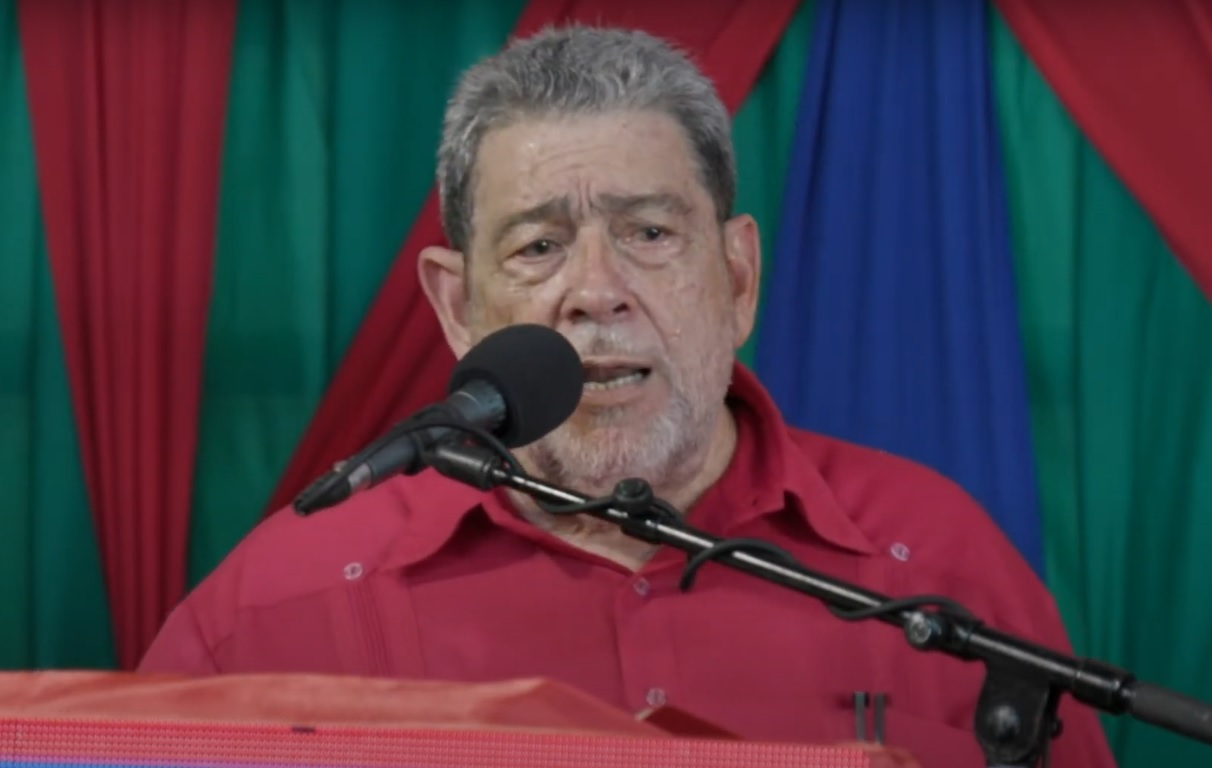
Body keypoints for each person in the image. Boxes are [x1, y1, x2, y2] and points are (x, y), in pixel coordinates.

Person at [140, 25, 1117, 767]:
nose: (596, 292)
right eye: (538, 245)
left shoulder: (936, 563)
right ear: (457, 307)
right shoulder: (275, 607)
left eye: (649, 233)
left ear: (738, 279)